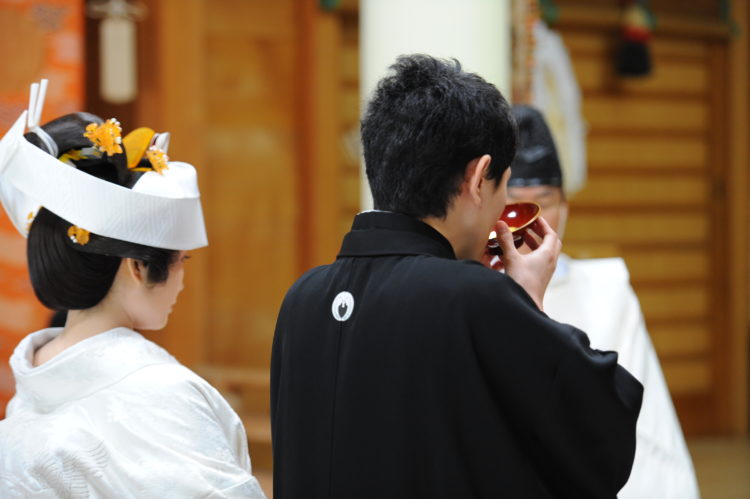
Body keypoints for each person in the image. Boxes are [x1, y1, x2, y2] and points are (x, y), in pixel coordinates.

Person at [271, 55, 643, 498]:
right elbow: (599, 433)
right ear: (478, 177)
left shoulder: (301, 299)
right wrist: (527, 303)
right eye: (504, 185)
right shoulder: (474, 297)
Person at [0, 80, 266, 497]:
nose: (181, 281)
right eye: (181, 261)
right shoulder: (160, 394)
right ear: (138, 267)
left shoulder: (30, 391)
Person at [506, 104, 700, 499]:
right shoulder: (471, 292)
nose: (530, 221)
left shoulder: (606, 289)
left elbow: (645, 428)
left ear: (565, 208)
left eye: (544, 201)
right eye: (515, 204)